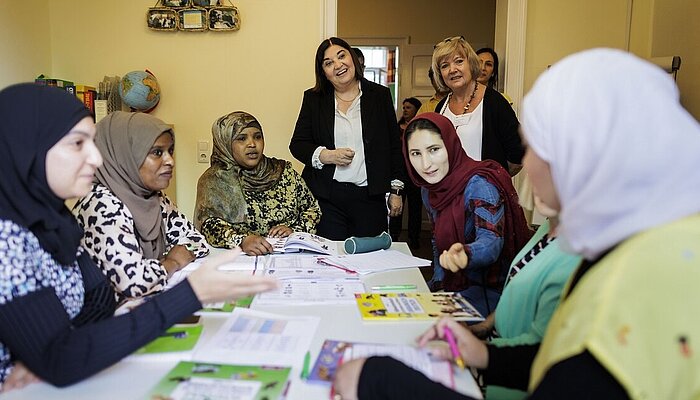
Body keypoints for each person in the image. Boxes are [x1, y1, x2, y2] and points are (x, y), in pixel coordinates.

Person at [334, 48, 700, 399]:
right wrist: (486, 354)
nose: (528, 165)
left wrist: (377, 379)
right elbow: (557, 359)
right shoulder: (637, 241)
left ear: (580, 156)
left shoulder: (640, 283)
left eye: (535, 147)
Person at [0, 83, 277, 392]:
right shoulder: (5, 239)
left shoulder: (53, 218)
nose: (95, 158)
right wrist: (190, 292)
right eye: (78, 144)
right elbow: (62, 358)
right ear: (28, 147)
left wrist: (46, 352)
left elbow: (100, 301)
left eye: (93, 143)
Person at [401, 113, 530, 316]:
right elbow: (437, 241)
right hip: (451, 287)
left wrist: (465, 254)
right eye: (415, 153)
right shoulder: (429, 188)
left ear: (451, 145)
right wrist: (437, 284)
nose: (425, 164)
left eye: (433, 150)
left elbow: (492, 242)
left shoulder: (479, 184)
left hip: (488, 292)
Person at [73, 111, 210, 303]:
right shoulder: (100, 204)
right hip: (107, 320)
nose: (170, 161)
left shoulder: (154, 198)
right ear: (124, 155)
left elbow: (197, 241)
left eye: (170, 151)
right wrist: (172, 262)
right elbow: (133, 283)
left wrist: (168, 258)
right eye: (157, 152)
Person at [290, 37, 407, 240]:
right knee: (330, 262)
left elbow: (394, 147)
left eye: (341, 56)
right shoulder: (313, 99)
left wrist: (396, 190)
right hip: (326, 198)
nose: (338, 65)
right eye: (328, 63)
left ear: (352, 58)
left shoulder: (379, 95)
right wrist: (326, 156)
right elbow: (297, 144)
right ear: (324, 72)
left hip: (370, 198)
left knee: (369, 261)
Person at [194, 111, 321, 255]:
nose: (252, 144)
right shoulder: (213, 181)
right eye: (241, 139)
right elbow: (208, 225)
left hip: (288, 256)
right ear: (225, 144)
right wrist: (242, 241)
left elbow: (312, 209)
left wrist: (295, 231)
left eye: (257, 137)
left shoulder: (284, 171)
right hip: (238, 260)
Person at [432, 36, 524, 176]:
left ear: (471, 64)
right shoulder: (440, 108)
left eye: (459, 61)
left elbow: (518, 154)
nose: (452, 69)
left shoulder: (495, 103)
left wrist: (494, 180)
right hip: (448, 195)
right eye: (445, 66)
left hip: (485, 195)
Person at [391, 97, 423, 247]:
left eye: (408, 107)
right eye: (404, 107)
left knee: (415, 208)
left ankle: (414, 237)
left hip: (415, 174)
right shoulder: (396, 127)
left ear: (416, 109)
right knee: (396, 205)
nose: (405, 110)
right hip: (399, 174)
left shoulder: (420, 128)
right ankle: (394, 236)